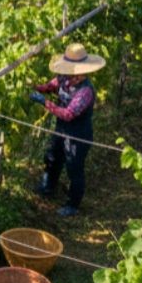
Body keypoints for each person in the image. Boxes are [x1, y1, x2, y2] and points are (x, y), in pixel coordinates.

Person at [29, 43, 105, 217]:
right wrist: (36, 87)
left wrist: (44, 102)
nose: (69, 76)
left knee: (74, 168)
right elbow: (51, 85)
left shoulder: (85, 91)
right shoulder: (64, 78)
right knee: (52, 156)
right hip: (61, 129)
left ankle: (73, 204)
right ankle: (48, 187)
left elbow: (68, 114)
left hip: (78, 134)